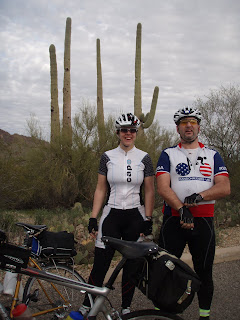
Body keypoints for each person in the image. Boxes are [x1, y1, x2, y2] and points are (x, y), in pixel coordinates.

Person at [156, 106, 230, 320]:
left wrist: (199, 197)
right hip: (174, 220)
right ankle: (162, 314)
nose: (188, 125)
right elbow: (162, 186)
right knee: (166, 270)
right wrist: (181, 209)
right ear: (177, 128)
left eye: (193, 122)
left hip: (203, 221)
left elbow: (224, 187)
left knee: (204, 272)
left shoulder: (212, 154)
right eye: (183, 122)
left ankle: (204, 316)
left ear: (198, 126)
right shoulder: (168, 153)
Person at [80, 113, 155, 316]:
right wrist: (93, 217)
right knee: (100, 265)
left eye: (132, 130)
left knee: (131, 267)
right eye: (124, 130)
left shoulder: (144, 158)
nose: (128, 134)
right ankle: (87, 305)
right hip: (111, 214)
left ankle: (126, 308)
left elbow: (149, 190)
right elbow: (100, 189)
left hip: (135, 216)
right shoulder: (107, 156)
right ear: (118, 133)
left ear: (136, 133)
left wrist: (148, 219)